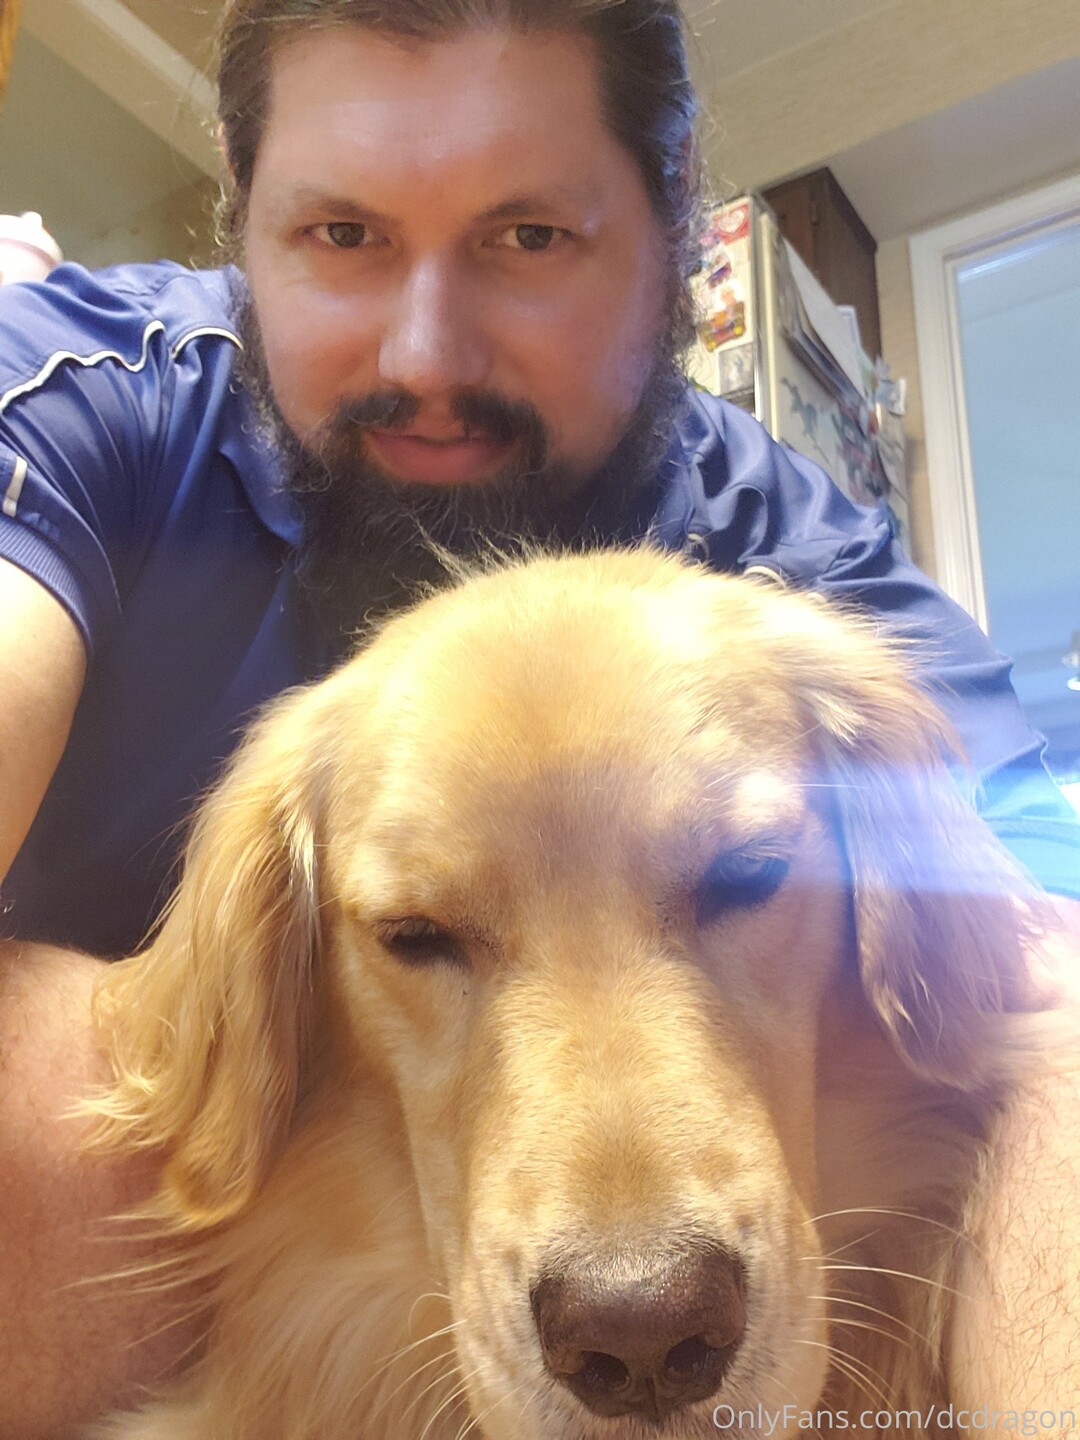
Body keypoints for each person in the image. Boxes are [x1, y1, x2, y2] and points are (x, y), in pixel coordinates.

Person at [0, 0, 1076, 1434]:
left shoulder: (798, 562)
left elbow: (1043, 979)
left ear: (674, 231)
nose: (428, 356)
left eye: (528, 236)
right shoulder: (82, 392)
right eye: (342, 234)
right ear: (241, 216)